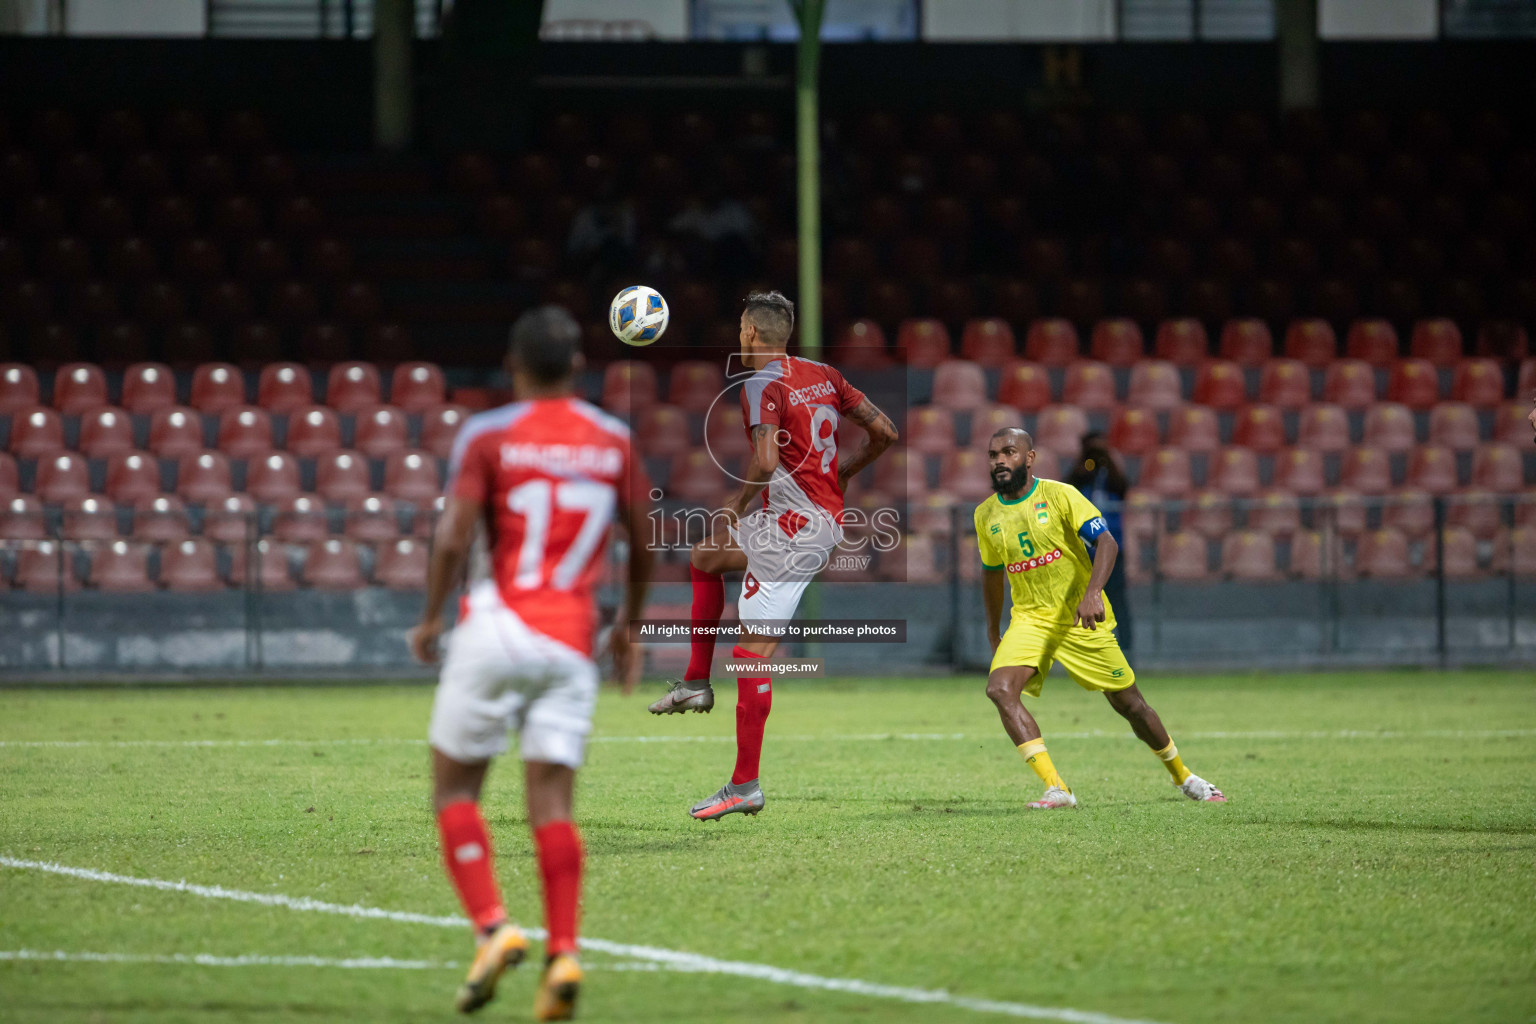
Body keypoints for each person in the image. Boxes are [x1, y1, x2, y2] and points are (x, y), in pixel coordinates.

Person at [408, 305, 653, 1020]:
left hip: (495, 627)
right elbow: (643, 543)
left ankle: (491, 926)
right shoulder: (614, 440)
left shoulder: (489, 434)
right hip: (571, 640)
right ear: (578, 366)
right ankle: (565, 952)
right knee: (551, 804)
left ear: (513, 366)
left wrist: (429, 618)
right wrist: (628, 628)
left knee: (455, 791)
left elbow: (455, 535)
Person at [645, 290, 898, 821]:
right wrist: (845, 473)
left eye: (741, 326)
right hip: (808, 519)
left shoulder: (760, 383)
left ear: (750, 334)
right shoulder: (825, 374)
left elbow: (761, 462)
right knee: (706, 557)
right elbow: (885, 432)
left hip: (794, 531)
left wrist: (735, 507)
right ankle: (694, 683)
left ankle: (745, 786)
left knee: (751, 654)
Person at [975, 427, 1224, 808]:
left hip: (1079, 617)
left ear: (1029, 458)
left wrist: (1092, 594)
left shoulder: (1060, 495)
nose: (999, 461)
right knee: (999, 690)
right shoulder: (985, 514)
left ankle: (1184, 776)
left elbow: (1106, 541)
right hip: (1030, 619)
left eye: (1009, 452)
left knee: (1130, 705)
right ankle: (1057, 788)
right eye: (993, 455)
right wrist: (993, 629)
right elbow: (992, 573)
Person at [1065, 430, 1133, 655]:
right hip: (1084, 551)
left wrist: (1108, 459)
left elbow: (1123, 486)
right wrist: (1085, 462)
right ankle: (1083, 650)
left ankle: (1126, 650)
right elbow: (1068, 489)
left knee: (1116, 601)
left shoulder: (1110, 476)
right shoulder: (1080, 474)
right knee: (1079, 601)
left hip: (1112, 548)